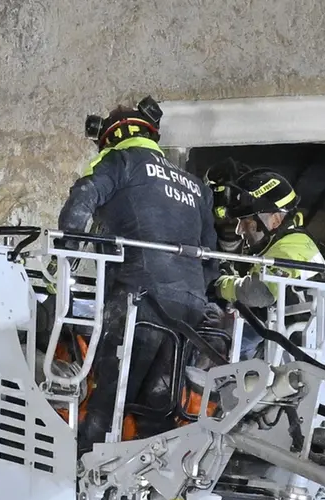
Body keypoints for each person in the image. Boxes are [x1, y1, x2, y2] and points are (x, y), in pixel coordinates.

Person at [57, 96, 218, 455]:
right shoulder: (195, 186)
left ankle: (79, 472)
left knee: (110, 397)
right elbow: (210, 258)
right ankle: (152, 479)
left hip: (138, 300)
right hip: (190, 307)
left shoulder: (120, 161)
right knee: (157, 402)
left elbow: (82, 201)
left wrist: (63, 256)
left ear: (110, 137)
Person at [208, 167, 325, 359]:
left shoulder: (291, 250)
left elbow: (259, 293)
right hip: (286, 350)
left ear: (275, 220)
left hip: (293, 355)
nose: (239, 230)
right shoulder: (288, 246)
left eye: (246, 222)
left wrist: (221, 285)